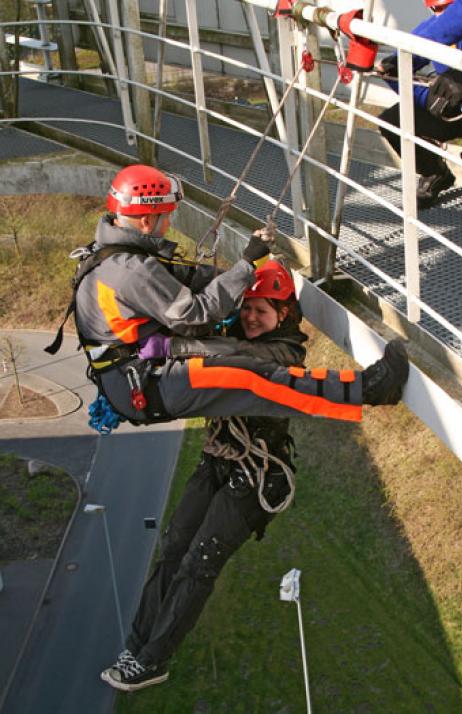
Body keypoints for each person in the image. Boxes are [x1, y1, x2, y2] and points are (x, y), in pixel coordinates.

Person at [98, 262, 329, 691]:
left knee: (199, 562)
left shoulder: (284, 354)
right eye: (247, 309)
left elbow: (238, 358)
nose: (251, 317)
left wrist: (175, 348)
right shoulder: (235, 337)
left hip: (256, 474)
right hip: (218, 461)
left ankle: (153, 659)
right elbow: (212, 327)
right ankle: (136, 644)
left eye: (262, 310)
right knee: (172, 549)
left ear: (285, 315)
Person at [48, 163, 409, 426]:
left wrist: (247, 277)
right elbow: (195, 315)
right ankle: (370, 389)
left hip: (138, 373)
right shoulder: (129, 269)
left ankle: (323, 369)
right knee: (254, 379)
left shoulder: (114, 253)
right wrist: (246, 267)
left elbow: (185, 276)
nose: (169, 223)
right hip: (146, 384)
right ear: (146, 220)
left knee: (250, 365)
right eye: (166, 216)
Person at [377, 0, 462, 208]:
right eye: (436, 9)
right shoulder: (433, 29)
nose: (443, 14)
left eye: (448, 8)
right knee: (393, 121)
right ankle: (435, 173)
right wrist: (394, 69)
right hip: (457, 112)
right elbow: (413, 49)